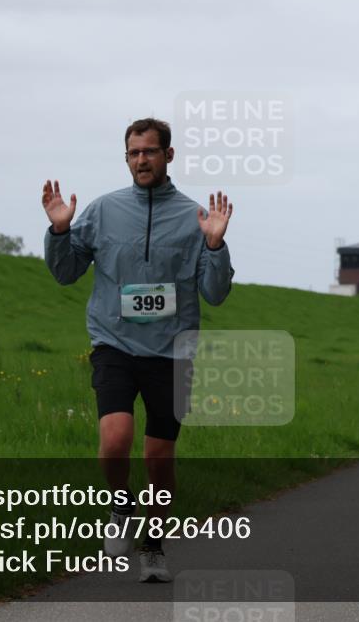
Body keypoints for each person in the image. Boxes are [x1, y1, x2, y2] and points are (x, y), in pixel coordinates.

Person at [43, 117, 234, 582]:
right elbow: (66, 273)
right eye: (133, 153)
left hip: (172, 352)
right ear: (126, 158)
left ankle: (153, 545)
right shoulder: (103, 210)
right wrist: (61, 232)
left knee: (159, 459)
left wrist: (215, 243)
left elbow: (215, 293)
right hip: (114, 342)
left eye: (149, 152)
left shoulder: (195, 217)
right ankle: (121, 507)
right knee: (114, 440)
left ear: (169, 155)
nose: (141, 160)